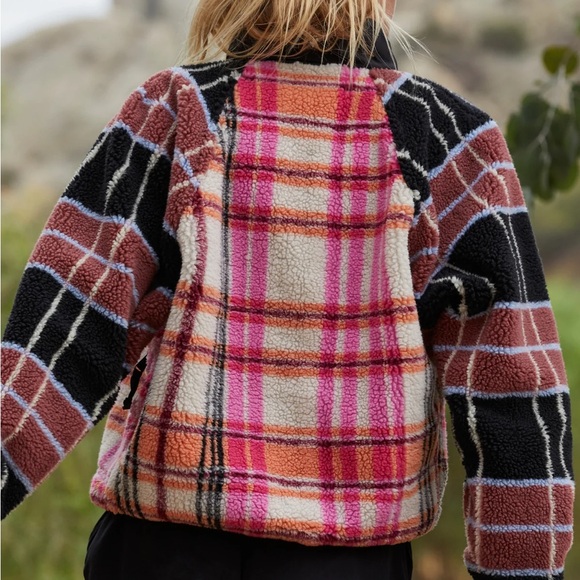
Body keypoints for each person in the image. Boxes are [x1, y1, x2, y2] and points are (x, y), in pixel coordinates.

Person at [1, 0, 574, 578]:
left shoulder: (178, 108)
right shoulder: (448, 136)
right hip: (351, 562)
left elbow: (62, 335)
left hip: (161, 548)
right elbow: (513, 387)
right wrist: (522, 570)